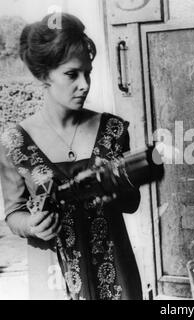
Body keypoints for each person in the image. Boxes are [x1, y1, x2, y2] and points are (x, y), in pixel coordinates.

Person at [0, 13, 142, 300]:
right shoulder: (14, 142)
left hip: (115, 273)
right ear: (44, 76)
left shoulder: (112, 130)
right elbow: (14, 213)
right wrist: (31, 225)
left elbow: (132, 203)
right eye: (72, 74)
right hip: (53, 277)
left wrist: (115, 186)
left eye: (88, 73)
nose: (85, 84)